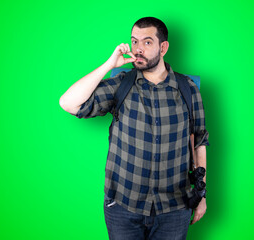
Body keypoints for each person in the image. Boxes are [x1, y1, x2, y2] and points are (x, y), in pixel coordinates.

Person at [59, 17, 209, 240]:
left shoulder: (188, 88)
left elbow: (199, 141)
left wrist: (202, 195)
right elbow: (69, 103)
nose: (138, 49)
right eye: (134, 41)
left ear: (163, 47)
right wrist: (110, 64)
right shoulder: (121, 83)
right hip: (123, 207)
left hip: (175, 208)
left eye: (147, 42)